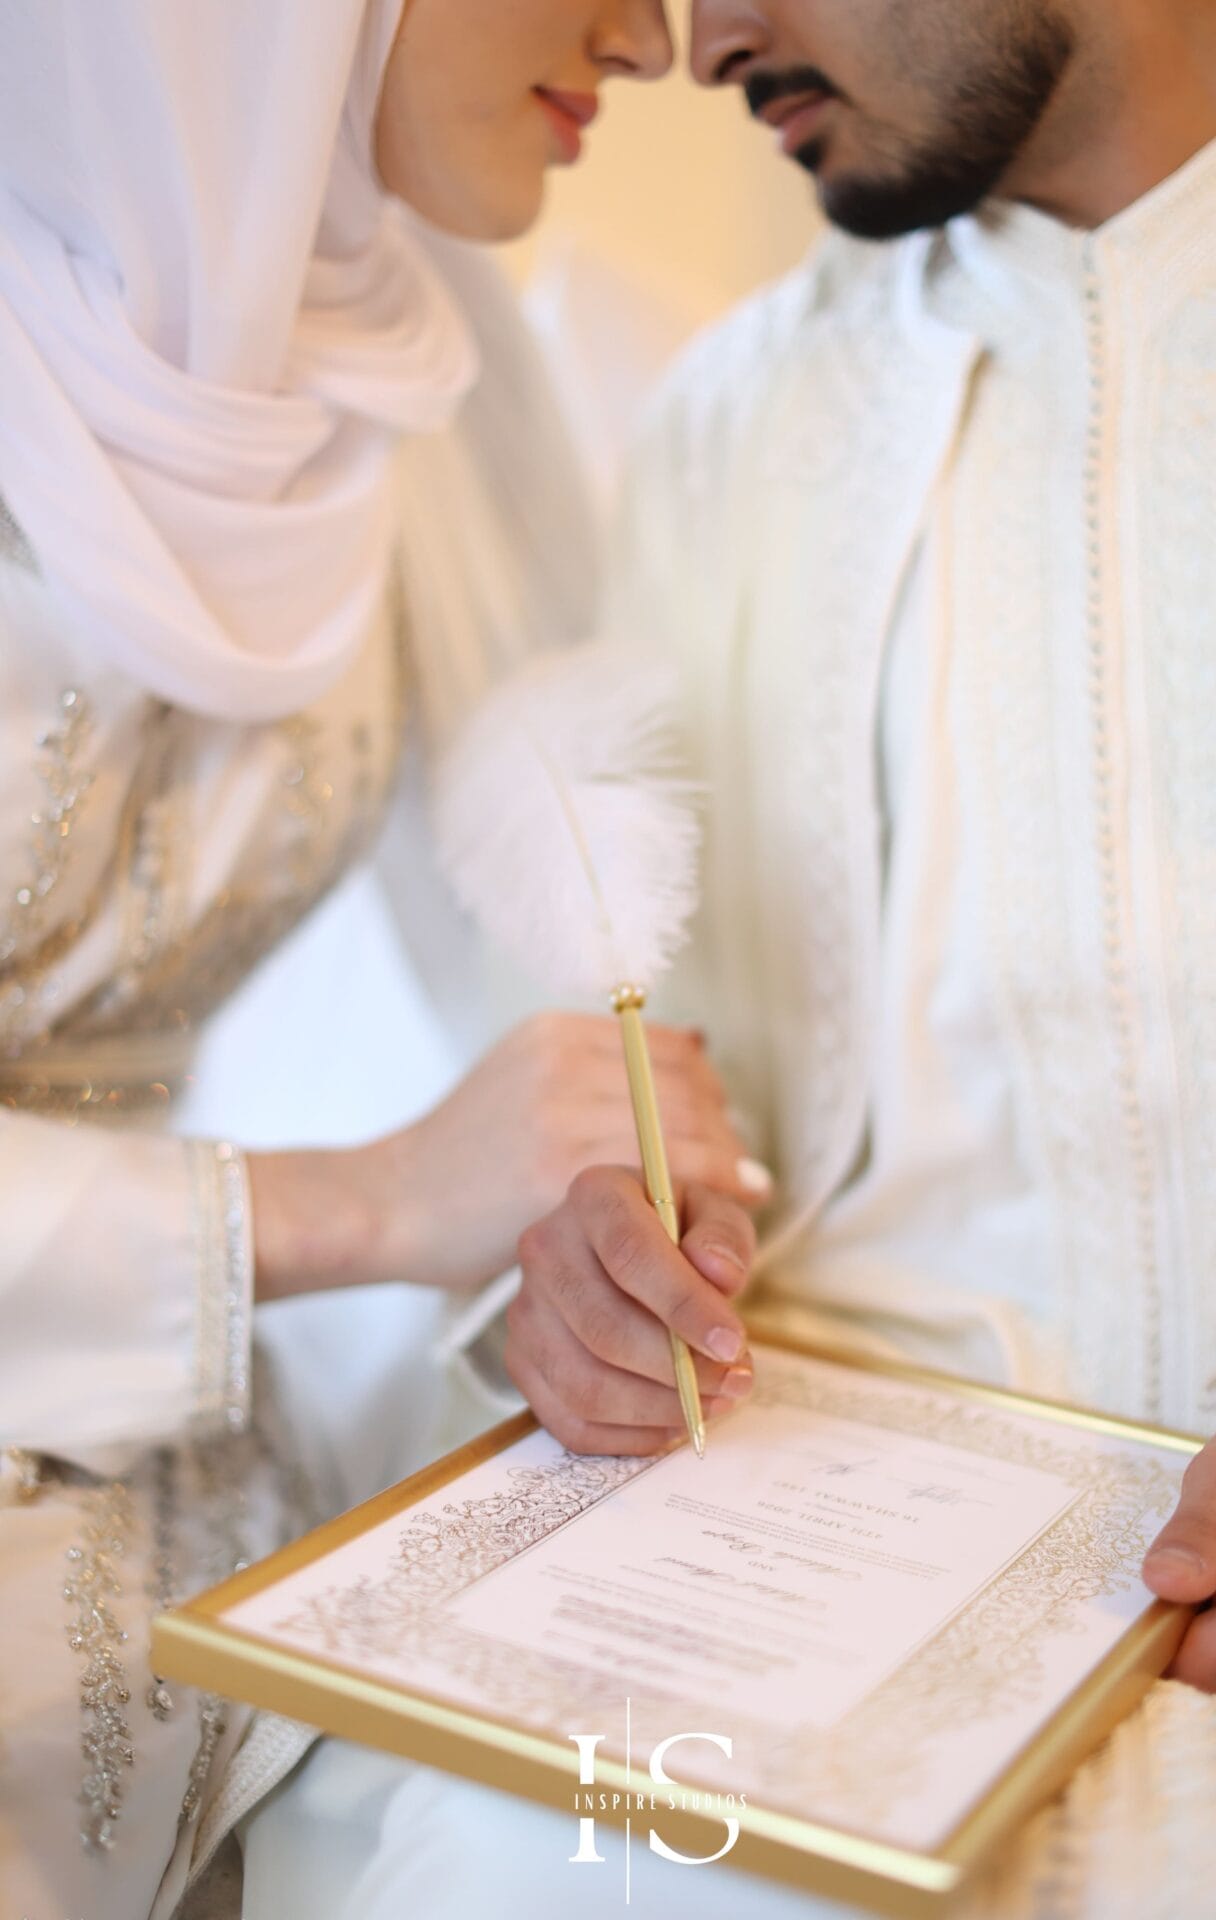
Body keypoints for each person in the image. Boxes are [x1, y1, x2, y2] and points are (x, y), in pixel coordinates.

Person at [242, 2, 1216, 1917]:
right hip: (800, 1581)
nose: (690, 34)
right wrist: (590, 1268)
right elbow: (661, 1079)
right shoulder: (732, 418)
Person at [0, 6, 782, 1919]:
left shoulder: (413, 338)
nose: (657, 36)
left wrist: (596, 1234)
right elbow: (416, 1178)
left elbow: (546, 952)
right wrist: (368, 1202)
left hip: (164, 1466)